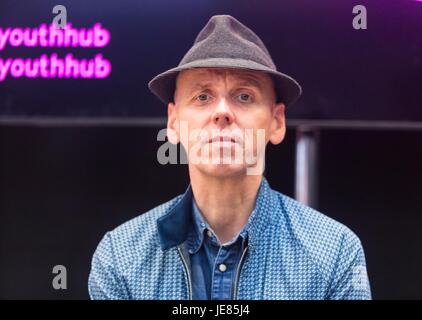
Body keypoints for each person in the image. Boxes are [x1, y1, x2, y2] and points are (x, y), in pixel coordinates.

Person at [88, 14, 371, 300]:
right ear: (173, 122)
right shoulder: (119, 258)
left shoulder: (335, 252)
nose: (222, 111)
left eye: (244, 96)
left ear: (277, 122)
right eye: (202, 97)